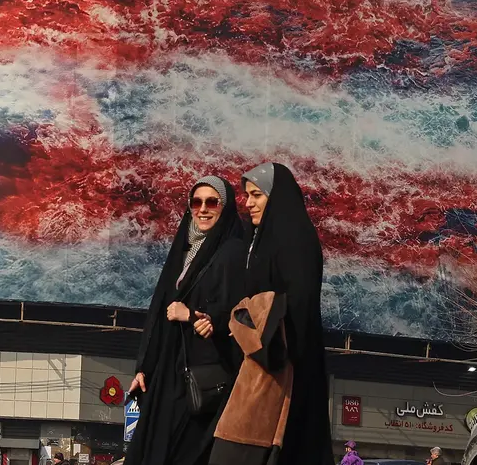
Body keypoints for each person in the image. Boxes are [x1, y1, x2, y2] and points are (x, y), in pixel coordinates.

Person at [210, 163, 332, 465]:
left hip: (285, 367)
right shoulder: (262, 241)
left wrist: (261, 335)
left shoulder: (295, 240)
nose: (248, 203)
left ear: (275, 197)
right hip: (263, 361)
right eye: (247, 195)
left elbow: (298, 305)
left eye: (257, 195)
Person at [125, 176, 246, 465]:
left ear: (225, 207)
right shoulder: (183, 251)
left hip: (202, 374)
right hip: (169, 371)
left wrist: (191, 315)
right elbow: (159, 312)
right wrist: (145, 368)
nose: (203, 209)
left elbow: (235, 309)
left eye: (212, 202)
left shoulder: (233, 252)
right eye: (196, 202)